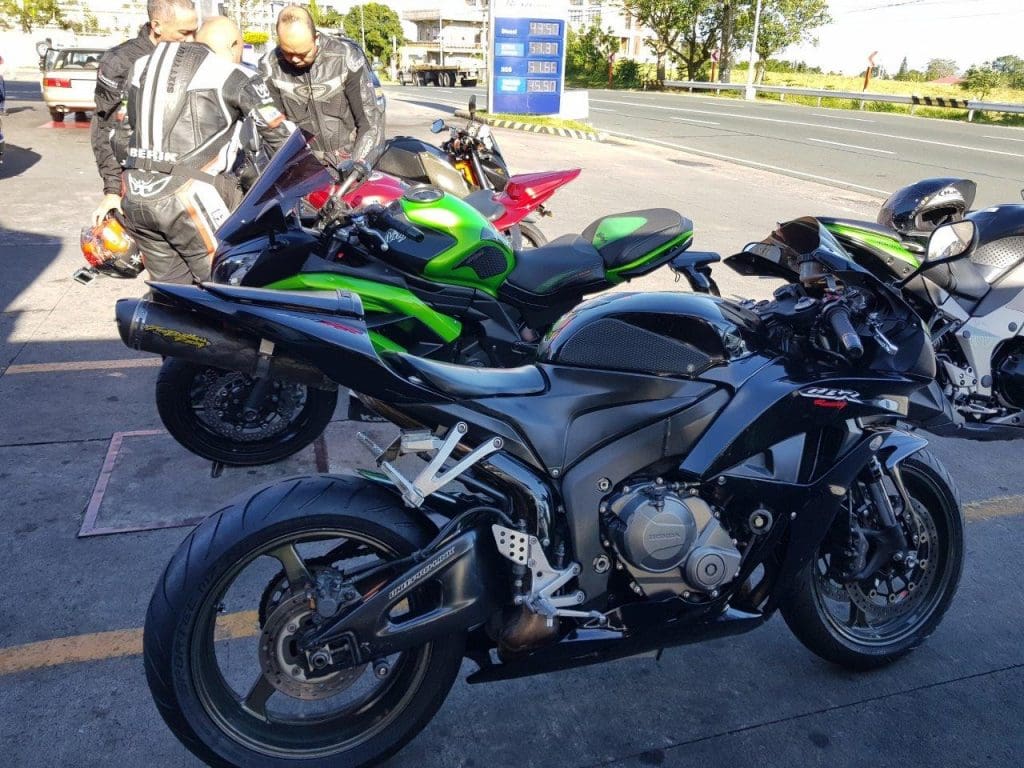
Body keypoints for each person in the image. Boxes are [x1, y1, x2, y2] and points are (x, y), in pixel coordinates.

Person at [118, 16, 292, 284]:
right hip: (189, 198)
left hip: (136, 195)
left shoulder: (142, 67)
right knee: (227, 289)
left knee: (170, 295)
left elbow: (119, 137)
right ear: (235, 45)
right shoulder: (233, 74)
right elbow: (282, 138)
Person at [90, 0, 199, 226]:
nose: (192, 40)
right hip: (134, 183)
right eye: (184, 32)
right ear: (157, 26)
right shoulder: (120, 63)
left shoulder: (193, 57)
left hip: (181, 182)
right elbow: (105, 128)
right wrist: (112, 190)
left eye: (194, 32)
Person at [258, 5, 383, 170]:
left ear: (316, 38)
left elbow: (370, 122)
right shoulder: (269, 67)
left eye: (302, 53)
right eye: (288, 52)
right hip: (303, 167)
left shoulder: (345, 58)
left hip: (350, 160)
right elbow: (274, 128)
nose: (295, 59)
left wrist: (357, 165)